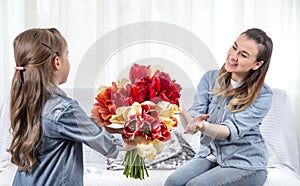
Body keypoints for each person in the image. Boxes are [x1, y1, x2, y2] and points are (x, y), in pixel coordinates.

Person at [7, 28, 132, 186]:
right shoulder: (64, 109)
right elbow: (109, 146)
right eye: (67, 55)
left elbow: (72, 126)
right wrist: (139, 141)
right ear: (57, 62)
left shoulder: (26, 100)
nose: (68, 60)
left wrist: (111, 127)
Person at [164, 28, 273, 186]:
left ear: (257, 64)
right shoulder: (210, 79)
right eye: (234, 47)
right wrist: (181, 111)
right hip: (210, 155)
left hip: (246, 163)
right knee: (173, 182)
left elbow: (227, 131)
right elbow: (191, 124)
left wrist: (203, 125)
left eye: (243, 55)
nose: (233, 57)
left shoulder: (263, 94)